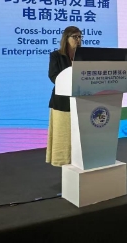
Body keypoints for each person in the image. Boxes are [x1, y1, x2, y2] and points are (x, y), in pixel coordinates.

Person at [46, 26, 82, 167]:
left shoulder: (83, 56)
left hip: (81, 101)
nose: (78, 40)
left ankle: (79, 160)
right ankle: (63, 161)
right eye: (75, 37)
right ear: (66, 38)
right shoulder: (56, 55)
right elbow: (53, 76)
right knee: (63, 135)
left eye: (80, 37)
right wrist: (68, 83)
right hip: (62, 101)